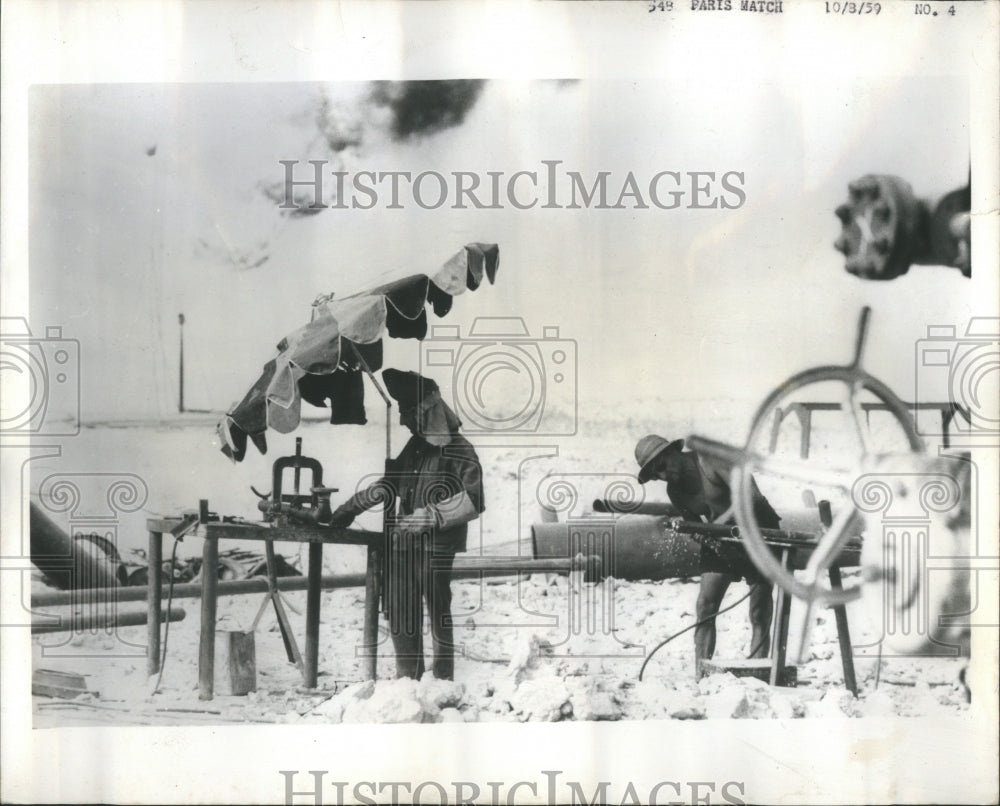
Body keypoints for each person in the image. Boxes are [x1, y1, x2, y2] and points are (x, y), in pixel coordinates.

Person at [329, 369, 484, 681]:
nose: (403, 421)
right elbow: (389, 484)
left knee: (438, 612)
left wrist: (428, 516)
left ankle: (441, 679)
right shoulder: (415, 447)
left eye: (409, 413)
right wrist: (349, 508)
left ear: (427, 412)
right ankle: (407, 678)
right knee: (400, 608)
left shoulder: (460, 449)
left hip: (436, 547)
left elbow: (474, 500)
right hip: (402, 544)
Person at [634, 434, 781, 677]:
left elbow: (750, 497)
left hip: (759, 531)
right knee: (705, 605)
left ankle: (759, 673)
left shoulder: (711, 461)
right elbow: (695, 526)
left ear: (673, 453)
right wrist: (709, 540)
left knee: (758, 608)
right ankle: (701, 675)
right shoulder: (675, 491)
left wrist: (719, 528)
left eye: (661, 467)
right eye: (655, 475)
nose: (662, 476)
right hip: (724, 537)